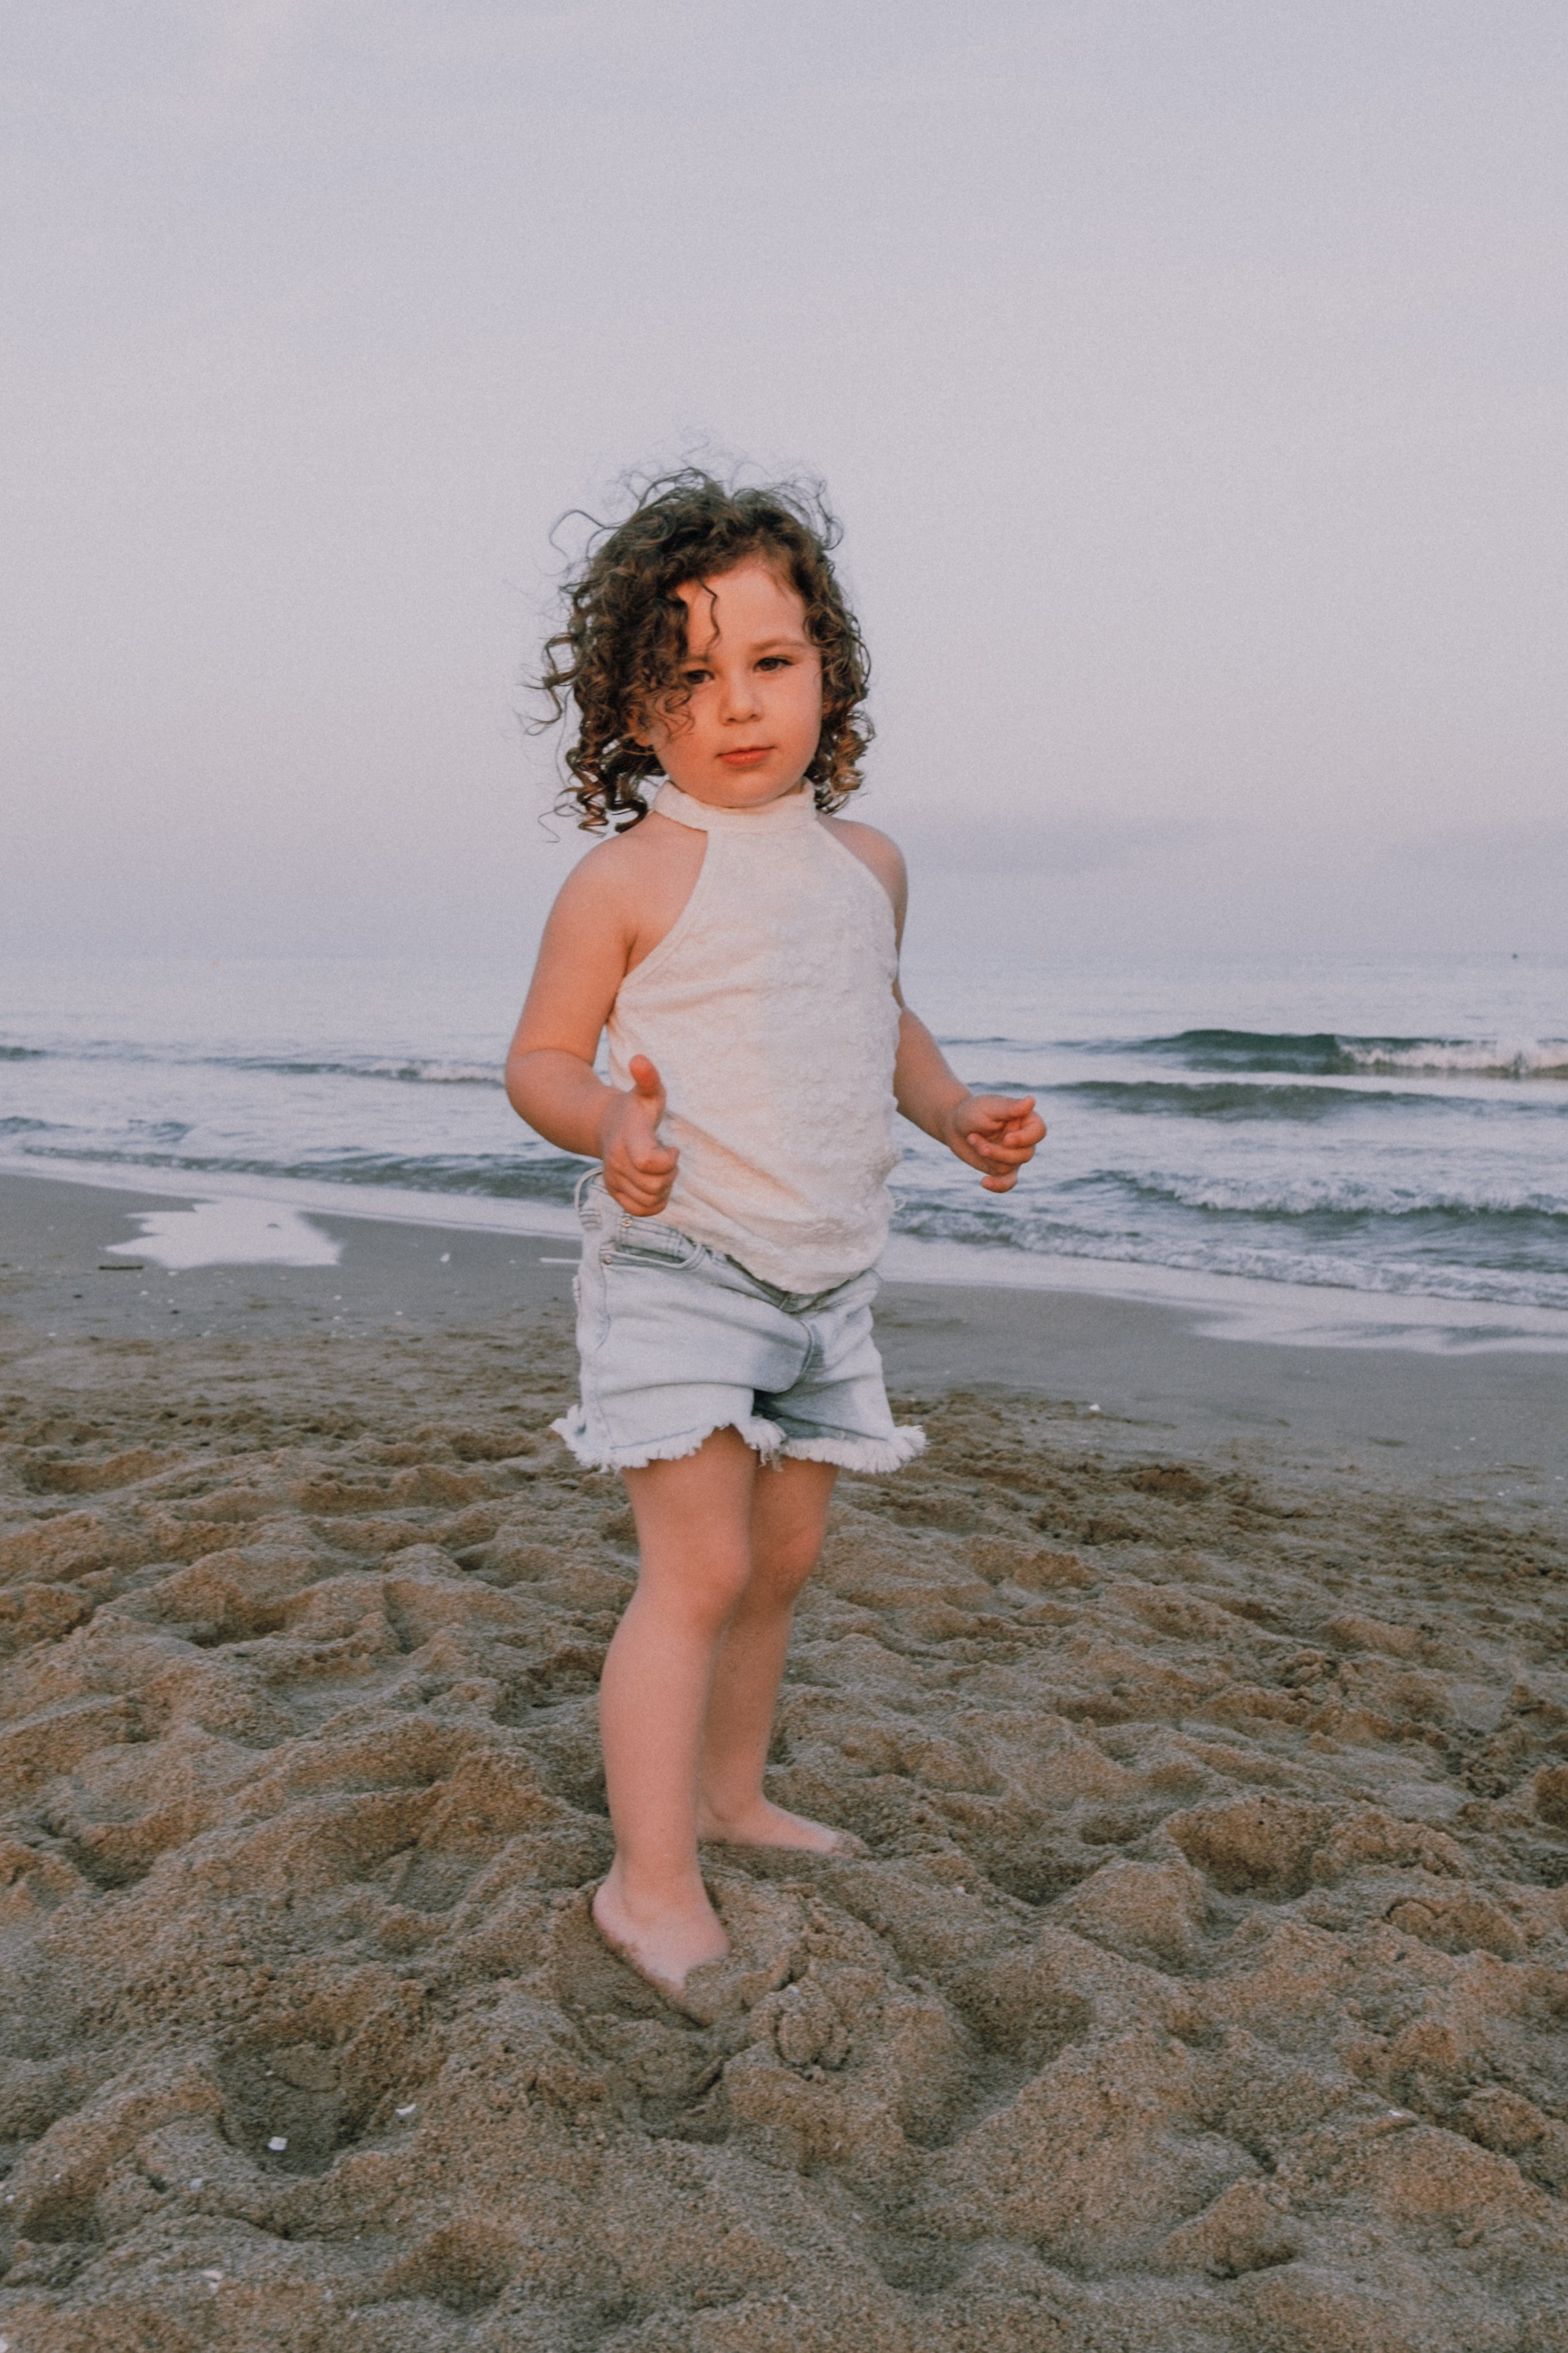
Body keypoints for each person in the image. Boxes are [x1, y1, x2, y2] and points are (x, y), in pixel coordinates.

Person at [505, 472, 1044, 2007]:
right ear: (627, 705)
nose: (733, 705)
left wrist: (951, 1112)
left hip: (828, 1268)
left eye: (767, 662)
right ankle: (644, 1879)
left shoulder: (863, 865)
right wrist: (613, 1124)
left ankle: (732, 1798)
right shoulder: (626, 876)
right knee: (696, 1567)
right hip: (682, 1264)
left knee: (784, 1556)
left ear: (828, 667)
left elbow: (872, 1015)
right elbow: (538, 1058)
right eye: (685, 675)